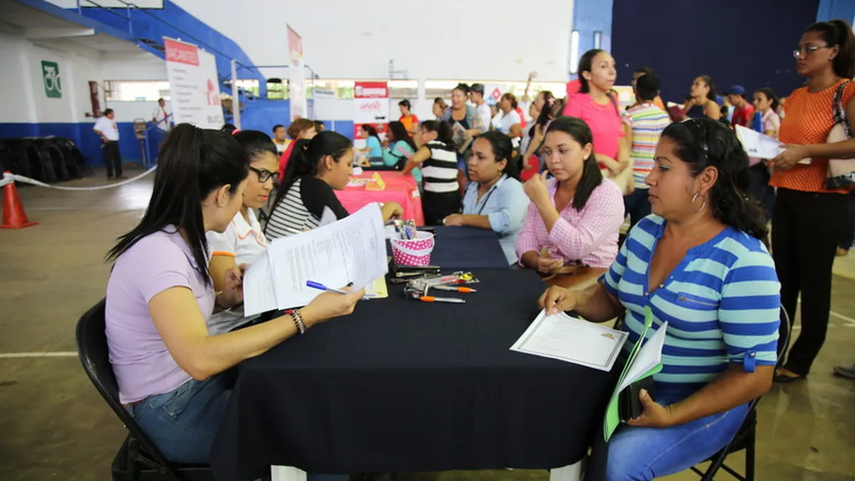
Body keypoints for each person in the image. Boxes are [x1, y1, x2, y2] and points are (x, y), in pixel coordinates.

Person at [104, 124, 363, 466]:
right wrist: (306, 316)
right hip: (172, 408)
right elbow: (199, 358)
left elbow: (176, 318)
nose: (244, 202)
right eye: (240, 193)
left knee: (306, 395)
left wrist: (224, 299)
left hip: (192, 387)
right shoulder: (159, 255)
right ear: (222, 194)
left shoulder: (182, 238)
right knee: (320, 435)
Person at [540, 118, 780, 481]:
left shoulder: (744, 261)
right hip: (629, 382)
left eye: (663, 168)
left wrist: (672, 415)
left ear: (705, 179)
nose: (649, 177)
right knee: (548, 414)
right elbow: (610, 297)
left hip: (700, 400)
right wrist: (574, 299)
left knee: (618, 463)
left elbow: (755, 377)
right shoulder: (646, 230)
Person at [768, 19, 855, 383]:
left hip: (825, 201)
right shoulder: (796, 96)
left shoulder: (847, 91)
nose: (801, 56)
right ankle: (773, 352)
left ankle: (802, 359)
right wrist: (775, 153)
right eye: (799, 49)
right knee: (782, 282)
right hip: (787, 194)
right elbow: (790, 144)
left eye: (810, 49)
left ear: (833, 52)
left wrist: (805, 150)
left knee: (814, 281)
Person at [515, 116, 624, 272]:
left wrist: (543, 203)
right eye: (548, 152)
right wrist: (536, 261)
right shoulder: (547, 187)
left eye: (562, 151)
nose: (553, 160)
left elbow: (577, 247)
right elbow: (526, 237)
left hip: (590, 281)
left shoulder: (607, 193)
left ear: (586, 151)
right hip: (549, 277)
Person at [266, 131, 403, 239]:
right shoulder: (315, 187)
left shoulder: (306, 182)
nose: (351, 172)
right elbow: (356, 231)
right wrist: (389, 207)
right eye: (348, 164)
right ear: (330, 162)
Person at [206, 130, 277, 335]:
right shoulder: (221, 224)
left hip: (257, 317)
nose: (269, 185)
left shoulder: (248, 213)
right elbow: (229, 293)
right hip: (233, 329)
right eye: (262, 174)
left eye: (272, 176)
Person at [443, 131, 529, 264]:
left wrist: (463, 219)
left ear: (501, 164)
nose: (472, 162)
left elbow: (508, 221)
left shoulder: (512, 187)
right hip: (476, 256)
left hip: (504, 264)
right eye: (472, 155)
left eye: (480, 157)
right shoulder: (473, 186)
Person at [563, 49, 631, 185]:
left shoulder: (612, 100)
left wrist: (624, 161)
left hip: (611, 177)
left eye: (613, 65)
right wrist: (601, 158)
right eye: (603, 66)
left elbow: (619, 135)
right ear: (587, 74)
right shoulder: (577, 103)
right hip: (585, 178)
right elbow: (566, 144)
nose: (612, 71)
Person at [623, 73, 671, 229]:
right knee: (640, 227)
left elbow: (625, 149)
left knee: (614, 225)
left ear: (636, 91)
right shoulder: (664, 117)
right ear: (657, 93)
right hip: (652, 181)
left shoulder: (630, 115)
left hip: (631, 181)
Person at [402, 121, 461, 225]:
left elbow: (414, 159)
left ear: (433, 134)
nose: (420, 135)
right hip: (453, 196)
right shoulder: (448, 147)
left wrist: (404, 172)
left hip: (437, 197)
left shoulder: (432, 145)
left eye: (423, 132)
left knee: (433, 227)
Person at [748, 87, 781, 220]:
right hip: (752, 160)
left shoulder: (772, 118)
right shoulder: (755, 115)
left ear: (770, 101)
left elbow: (766, 140)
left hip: (763, 163)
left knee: (760, 196)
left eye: (759, 99)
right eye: (754, 99)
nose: (755, 102)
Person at [439, 83, 486, 152]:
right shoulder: (446, 112)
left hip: (468, 152)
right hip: (449, 150)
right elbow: (439, 128)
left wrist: (472, 132)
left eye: (458, 96)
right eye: (453, 96)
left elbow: (482, 130)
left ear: (466, 98)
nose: (455, 99)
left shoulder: (472, 112)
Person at [94, 108, 124, 180]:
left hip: (115, 141)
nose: (113, 115)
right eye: (112, 114)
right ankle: (110, 175)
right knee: (109, 159)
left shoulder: (112, 120)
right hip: (108, 142)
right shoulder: (102, 120)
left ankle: (119, 174)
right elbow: (96, 129)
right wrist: (103, 136)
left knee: (117, 158)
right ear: (108, 114)